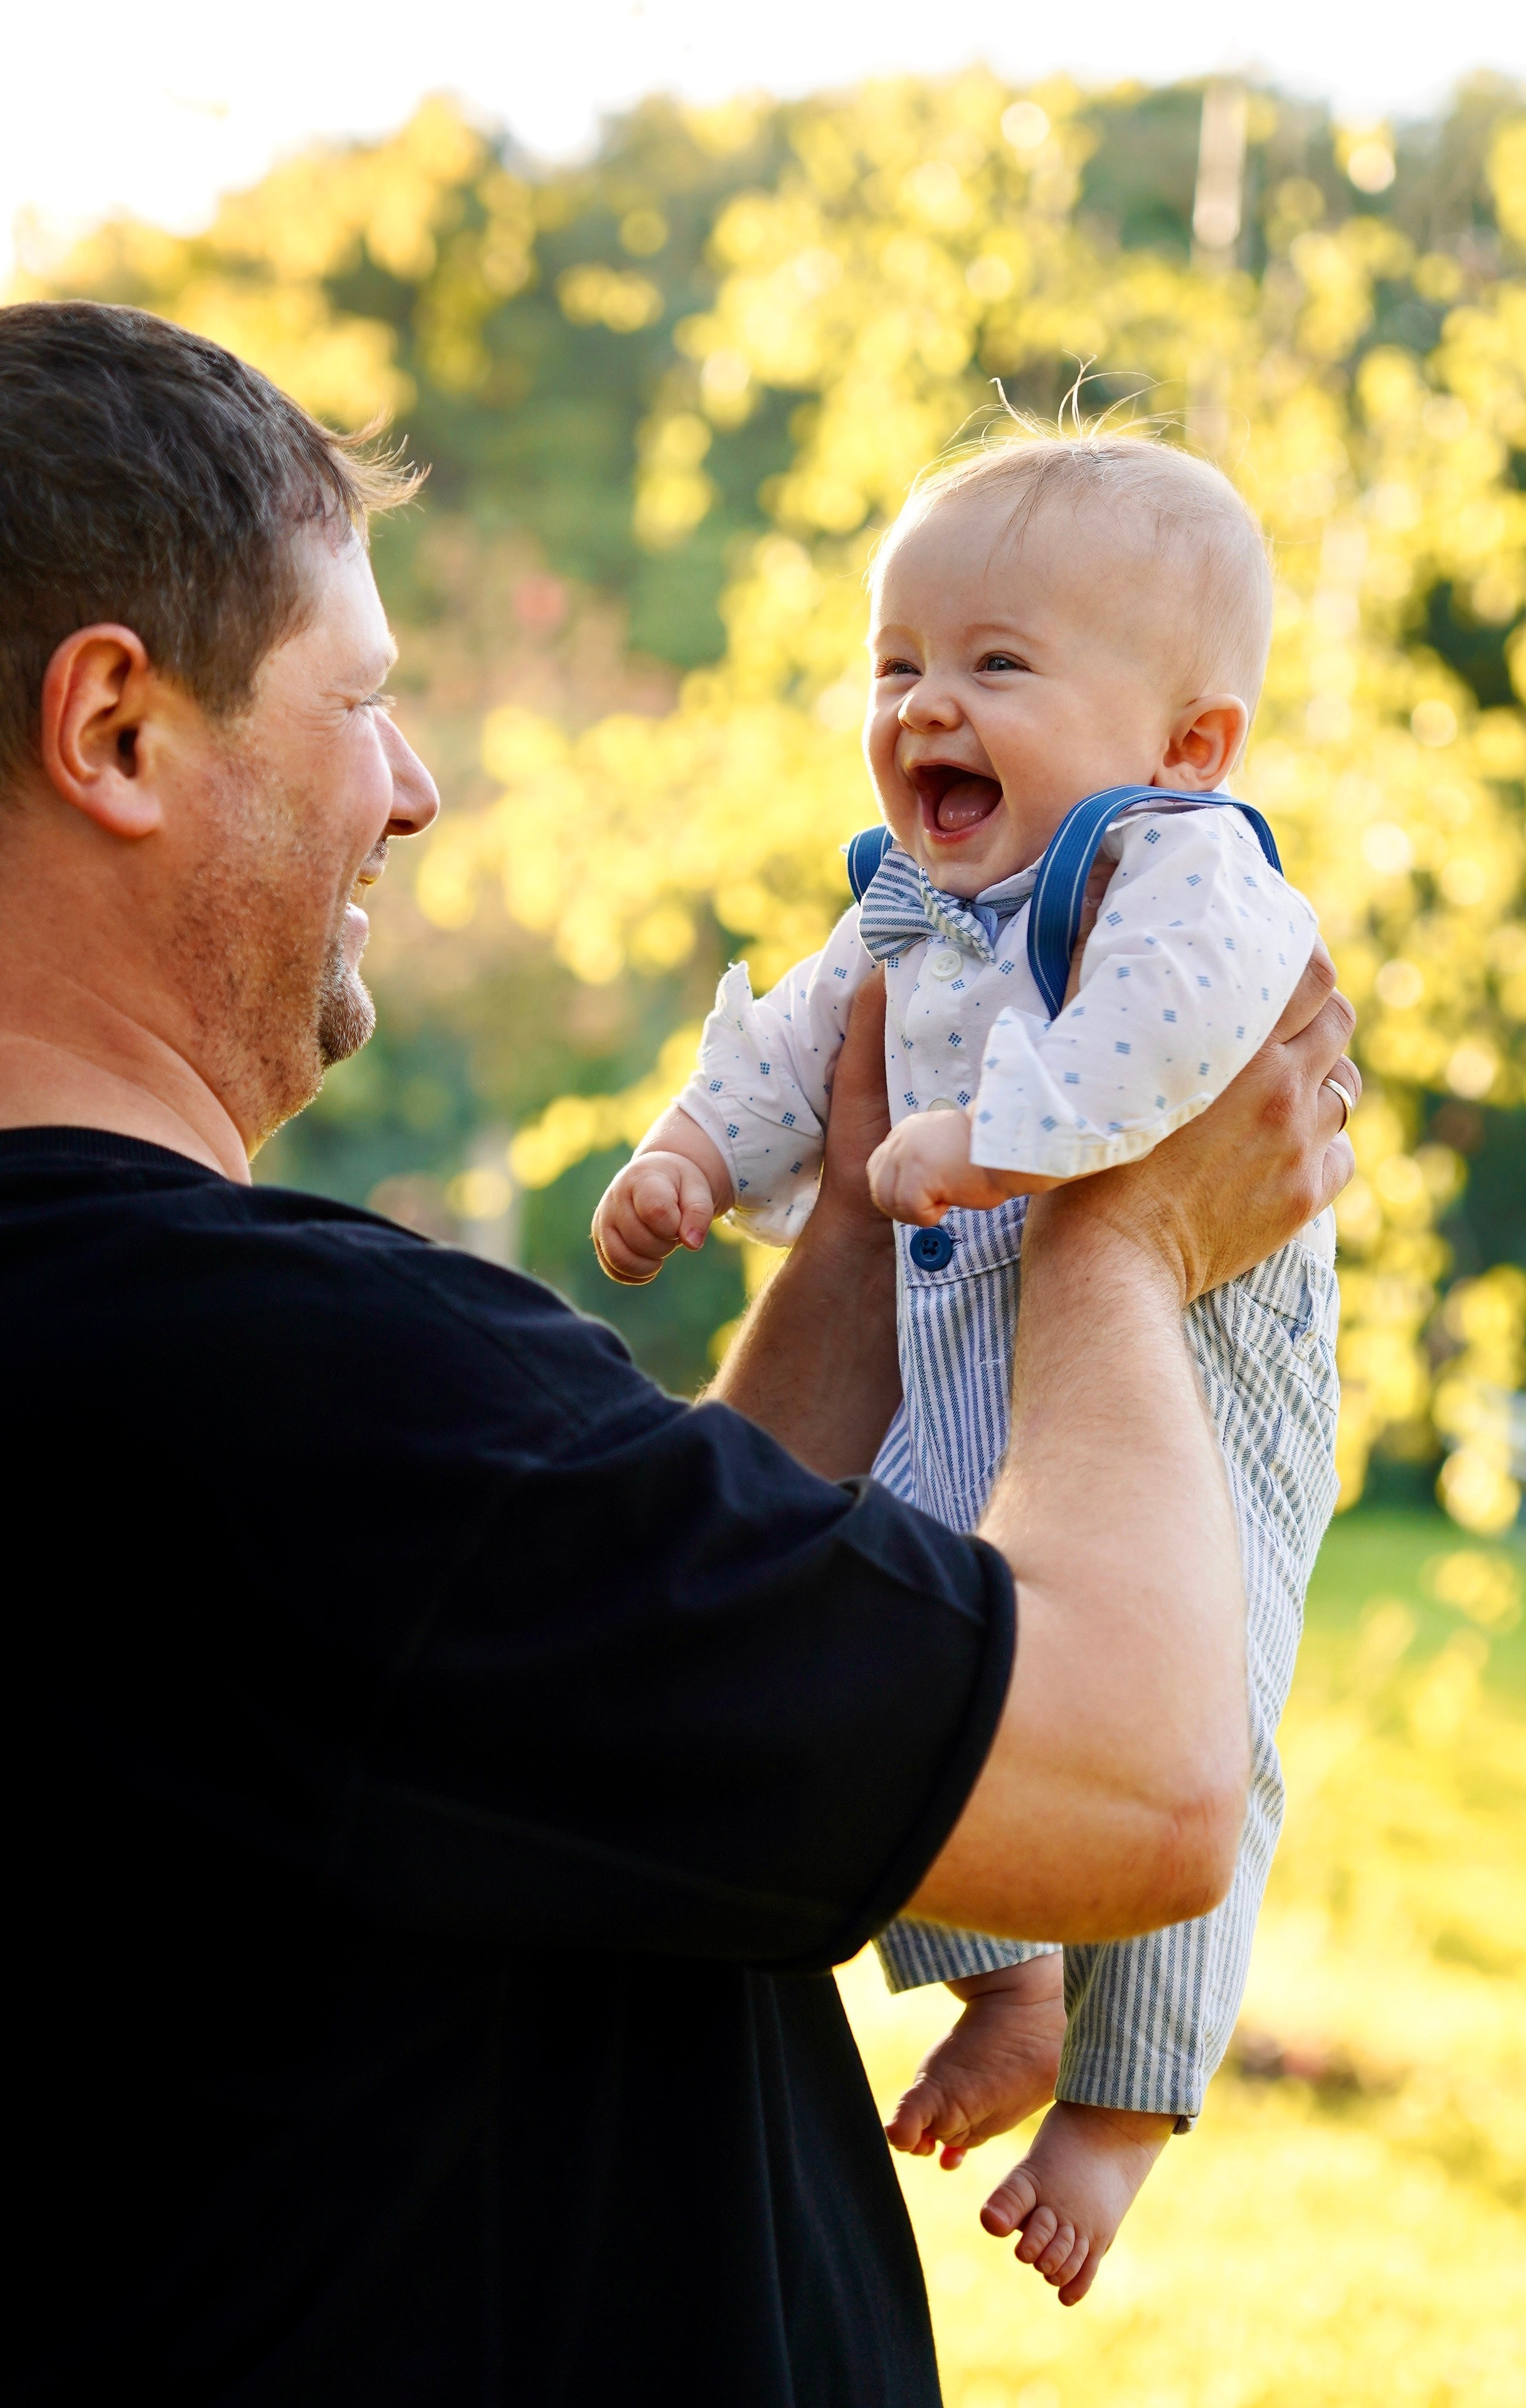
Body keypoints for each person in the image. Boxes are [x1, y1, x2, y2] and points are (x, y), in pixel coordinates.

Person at [0, 301, 1355, 2405]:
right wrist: (1126, 1230)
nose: (418, 788)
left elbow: (629, 1680)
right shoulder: (277, 1385)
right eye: (359, 697)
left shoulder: (148, 1388)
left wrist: (830, 1248)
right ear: (116, 733)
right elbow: (1142, 1781)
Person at [593, 433, 1347, 2303]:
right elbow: (796, 1048)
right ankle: (1005, 1982)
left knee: (1201, 1700)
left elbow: (1197, 1024)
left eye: (999, 665)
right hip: (964, 1352)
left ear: (1188, 744)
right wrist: (698, 1155)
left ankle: (1126, 2101)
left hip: (1191, 1351)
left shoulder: (1165, 865)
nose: (929, 700)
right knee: (892, 1638)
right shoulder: (911, 912)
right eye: (899, 662)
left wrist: (1019, 1137)